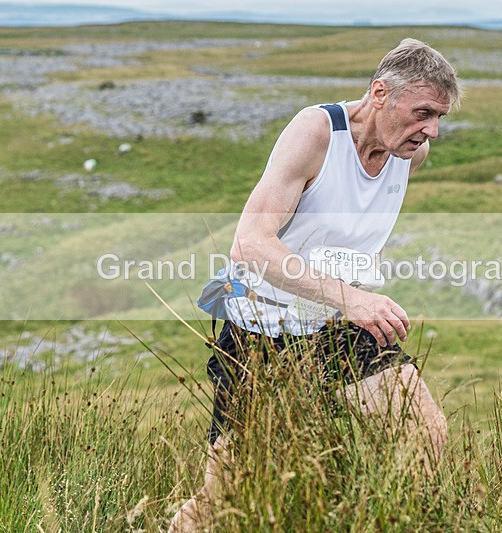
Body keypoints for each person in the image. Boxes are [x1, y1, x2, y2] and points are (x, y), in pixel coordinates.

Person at [170, 37, 460, 531]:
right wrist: (353, 297)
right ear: (380, 93)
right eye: (423, 112)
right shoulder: (316, 133)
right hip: (261, 332)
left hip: (339, 327)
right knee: (227, 496)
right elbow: (249, 245)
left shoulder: (411, 153)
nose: (430, 129)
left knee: (426, 435)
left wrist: (355, 296)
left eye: (439, 118)